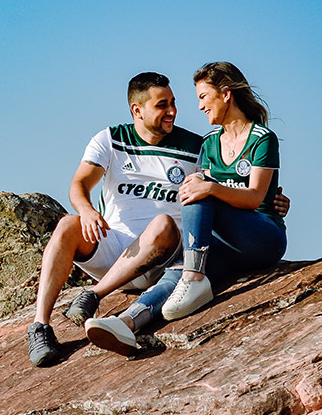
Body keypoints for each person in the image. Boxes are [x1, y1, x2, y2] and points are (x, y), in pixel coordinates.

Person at [27, 71, 289, 366]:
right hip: (118, 254)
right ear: (137, 110)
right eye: (162, 105)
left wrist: (270, 200)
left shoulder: (196, 146)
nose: (173, 111)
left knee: (170, 218)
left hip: (166, 251)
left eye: (174, 103)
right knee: (67, 225)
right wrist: (87, 211)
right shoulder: (112, 139)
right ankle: (43, 327)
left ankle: (98, 296)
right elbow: (78, 184)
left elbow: (234, 187)